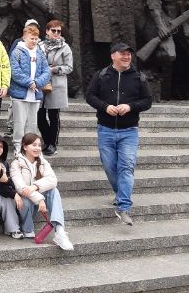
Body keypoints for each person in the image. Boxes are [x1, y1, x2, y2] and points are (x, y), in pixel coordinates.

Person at [85, 42, 152, 226]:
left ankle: (123, 207)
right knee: (110, 167)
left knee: (126, 167)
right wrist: (105, 107)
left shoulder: (139, 77)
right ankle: (120, 192)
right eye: (122, 53)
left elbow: (147, 101)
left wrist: (130, 106)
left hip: (129, 131)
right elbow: (90, 96)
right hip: (105, 130)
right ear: (113, 56)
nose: (126, 56)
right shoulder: (101, 75)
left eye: (129, 54)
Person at [10, 133, 73, 250]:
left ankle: (59, 231)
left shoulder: (43, 162)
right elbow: (21, 188)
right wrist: (40, 199)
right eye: (34, 145)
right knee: (24, 199)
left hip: (36, 198)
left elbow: (53, 180)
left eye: (39, 145)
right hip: (25, 204)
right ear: (24, 146)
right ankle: (27, 228)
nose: (38, 148)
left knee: (54, 191)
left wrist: (35, 187)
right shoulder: (16, 164)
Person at [9, 24, 51, 155]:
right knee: (19, 123)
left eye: (36, 38)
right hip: (20, 95)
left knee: (32, 124)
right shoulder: (17, 52)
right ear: (24, 37)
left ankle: (30, 147)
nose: (34, 41)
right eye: (31, 38)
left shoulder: (40, 53)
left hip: (35, 95)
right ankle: (18, 146)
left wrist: (37, 83)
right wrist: (29, 82)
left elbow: (46, 71)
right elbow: (15, 71)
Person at [37, 20, 74, 155]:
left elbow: (69, 67)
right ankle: (47, 140)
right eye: (53, 30)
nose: (56, 33)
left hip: (56, 84)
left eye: (59, 31)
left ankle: (52, 144)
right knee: (39, 115)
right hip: (40, 83)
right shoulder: (39, 46)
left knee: (54, 116)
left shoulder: (65, 47)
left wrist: (55, 69)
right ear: (47, 31)